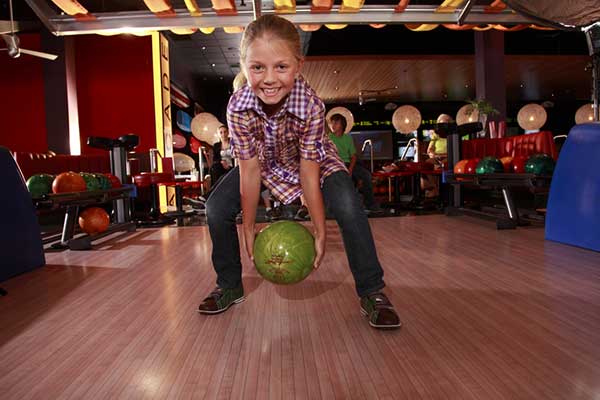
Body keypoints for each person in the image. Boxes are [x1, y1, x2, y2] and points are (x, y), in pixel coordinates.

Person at [197, 14, 401, 329]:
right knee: (216, 207)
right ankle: (229, 284)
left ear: (299, 65)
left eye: (281, 67)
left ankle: (372, 291)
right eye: (257, 67)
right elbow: (250, 170)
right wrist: (249, 226)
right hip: (265, 161)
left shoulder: (311, 105)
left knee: (348, 204)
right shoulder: (238, 107)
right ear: (244, 66)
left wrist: (319, 230)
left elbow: (309, 171)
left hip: (314, 159)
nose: (269, 78)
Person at [328, 113, 382, 213]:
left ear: (342, 124)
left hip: (348, 163)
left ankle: (370, 205)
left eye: (336, 122)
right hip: (335, 164)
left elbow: (353, 156)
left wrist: (350, 170)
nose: (333, 125)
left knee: (366, 175)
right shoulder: (328, 138)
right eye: (332, 123)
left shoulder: (347, 138)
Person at [421, 113, 451, 198]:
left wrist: (442, 155)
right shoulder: (436, 135)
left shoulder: (452, 135)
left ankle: (440, 191)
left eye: (445, 124)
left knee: (442, 165)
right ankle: (433, 188)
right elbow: (429, 150)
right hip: (436, 158)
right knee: (427, 163)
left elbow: (453, 151)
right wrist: (433, 154)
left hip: (448, 158)